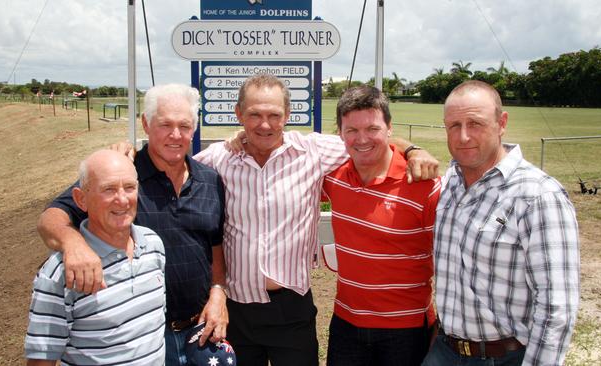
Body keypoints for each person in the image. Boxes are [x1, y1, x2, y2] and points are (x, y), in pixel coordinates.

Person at [195, 73, 439, 366]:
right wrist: (125, 152)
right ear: (238, 115)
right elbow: (175, 172)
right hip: (236, 310)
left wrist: (413, 149)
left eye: (274, 115)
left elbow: (368, 137)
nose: (264, 124)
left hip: (293, 309)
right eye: (254, 115)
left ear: (287, 115)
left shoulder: (313, 151)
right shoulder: (218, 158)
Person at [36, 84, 227, 366]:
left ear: (194, 129)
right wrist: (73, 243)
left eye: (184, 126)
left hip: (200, 331)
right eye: (165, 125)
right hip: (144, 339)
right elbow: (51, 218)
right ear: (146, 124)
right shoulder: (123, 175)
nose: (175, 135)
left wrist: (218, 292)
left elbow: (215, 246)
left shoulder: (210, 180)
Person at [421, 80, 580, 366]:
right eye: (454, 125)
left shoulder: (537, 195)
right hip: (445, 350)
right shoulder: (450, 185)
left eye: (475, 123)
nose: (464, 136)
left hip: (504, 356)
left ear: (501, 122)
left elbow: (556, 308)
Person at [321, 86, 441, 366]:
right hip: (346, 324)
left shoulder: (425, 185)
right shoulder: (333, 177)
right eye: (351, 130)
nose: (361, 139)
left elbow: (450, 264)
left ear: (389, 128)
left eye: (372, 128)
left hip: (406, 330)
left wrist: (411, 149)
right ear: (340, 133)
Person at [25, 150, 166, 365]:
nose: (122, 200)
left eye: (129, 187)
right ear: (81, 199)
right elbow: (42, 360)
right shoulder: (60, 273)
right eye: (108, 189)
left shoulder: (153, 245)